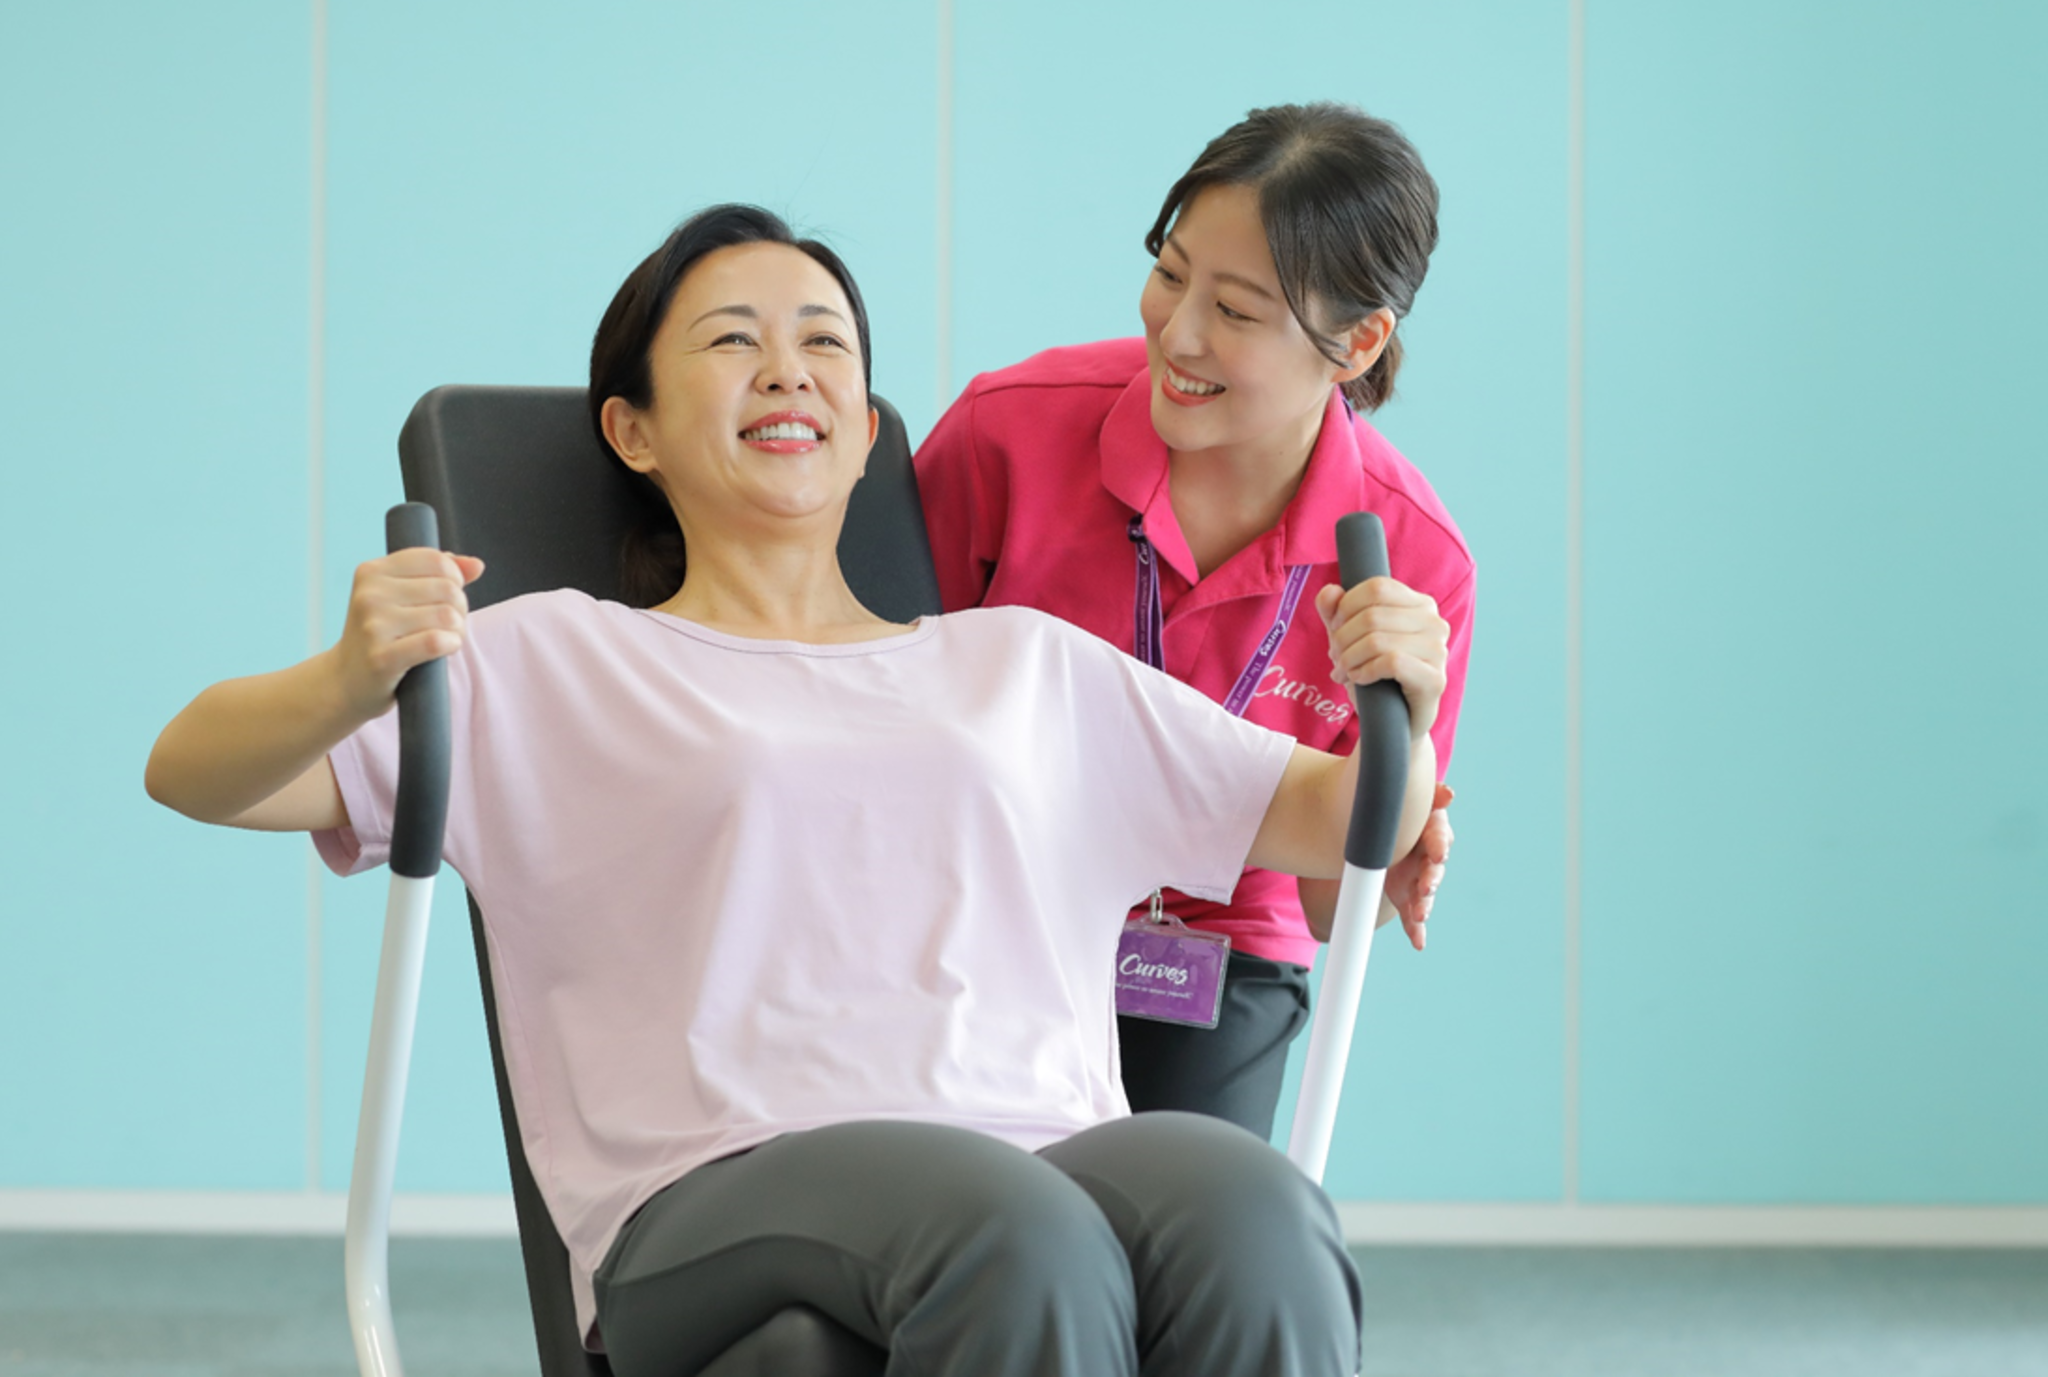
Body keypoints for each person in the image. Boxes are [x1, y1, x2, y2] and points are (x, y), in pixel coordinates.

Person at [145, 205, 1448, 1377]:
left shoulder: (1023, 664)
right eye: (731, 339)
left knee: (1257, 1208)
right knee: (1013, 1224)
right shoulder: (548, 655)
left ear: (869, 428)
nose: (787, 368)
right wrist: (345, 672)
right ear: (631, 428)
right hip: (719, 1177)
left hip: (1042, 1144)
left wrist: (1410, 693)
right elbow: (194, 770)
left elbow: (1359, 817)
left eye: (823, 340)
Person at [913, 102, 1475, 1138]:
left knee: (1182, 1224)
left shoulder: (1413, 560)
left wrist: (1405, 739)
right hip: (979, 908)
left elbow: (1323, 908)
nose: (1177, 334)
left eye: (1238, 310)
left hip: (1212, 950)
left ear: (1356, 341)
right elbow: (866, 704)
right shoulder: (1007, 431)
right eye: (1170, 275)